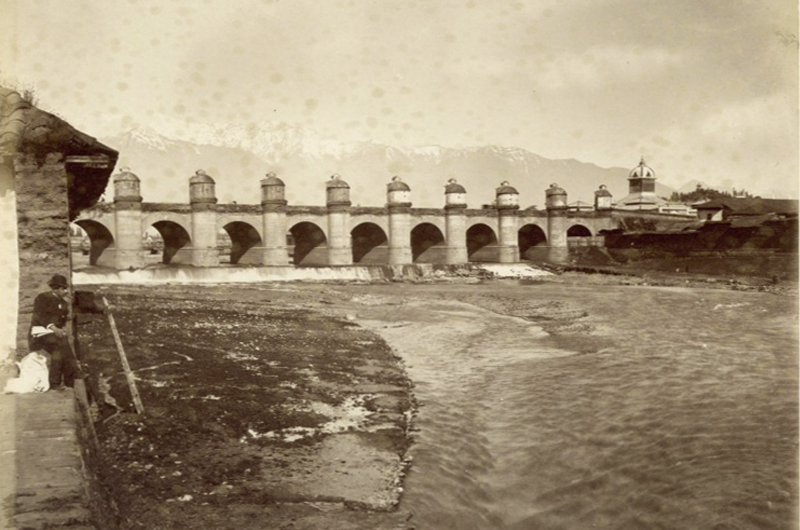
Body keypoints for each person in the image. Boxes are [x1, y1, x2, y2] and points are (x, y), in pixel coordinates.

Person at [29, 274, 80, 389]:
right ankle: (74, 372)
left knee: (58, 351)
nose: (66, 291)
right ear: (55, 288)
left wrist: (62, 328)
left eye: (66, 288)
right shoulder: (43, 298)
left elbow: (61, 321)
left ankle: (56, 383)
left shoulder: (63, 303)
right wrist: (54, 328)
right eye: (63, 288)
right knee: (61, 343)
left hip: (53, 334)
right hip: (40, 332)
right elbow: (40, 316)